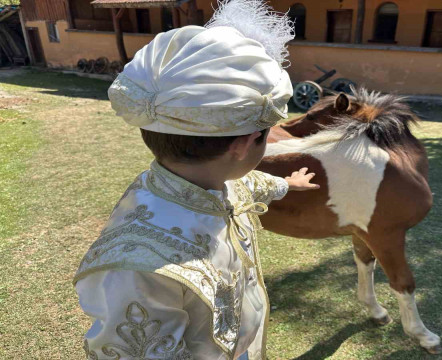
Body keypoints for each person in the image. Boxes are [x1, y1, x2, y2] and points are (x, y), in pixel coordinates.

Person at [73, 1, 318, 359]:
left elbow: (247, 185)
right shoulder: (137, 267)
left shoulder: (211, 183)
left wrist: (288, 185)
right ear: (245, 143)